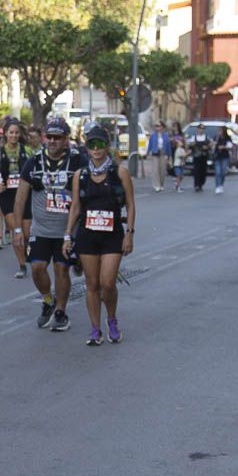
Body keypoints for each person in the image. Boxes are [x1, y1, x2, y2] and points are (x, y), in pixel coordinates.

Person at [14, 117, 88, 332]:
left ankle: (61, 311)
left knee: (61, 270)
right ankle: (48, 301)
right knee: (37, 268)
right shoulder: (34, 161)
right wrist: (18, 229)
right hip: (41, 228)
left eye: (58, 137)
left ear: (66, 139)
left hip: (67, 229)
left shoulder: (78, 160)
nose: (53, 141)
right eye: (50, 137)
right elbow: (20, 197)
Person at [64, 126, 135, 345]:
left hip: (113, 235)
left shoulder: (119, 172)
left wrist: (129, 234)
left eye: (100, 144)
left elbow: (131, 205)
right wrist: (67, 236)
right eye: (91, 144)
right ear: (86, 148)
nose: (96, 149)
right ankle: (95, 328)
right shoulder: (80, 175)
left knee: (107, 283)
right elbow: (75, 207)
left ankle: (111, 319)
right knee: (92, 284)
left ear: (107, 146)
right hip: (87, 235)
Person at [0, 118, 34, 278]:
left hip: (25, 195)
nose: (14, 136)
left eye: (16, 132)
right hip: (7, 197)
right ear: (6, 134)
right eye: (11, 132)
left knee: (27, 233)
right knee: (17, 231)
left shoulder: (27, 151)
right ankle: (22, 265)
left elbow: (34, 170)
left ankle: (27, 249)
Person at [145, 121, 172, 193]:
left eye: (159, 126)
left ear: (162, 127)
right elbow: (150, 145)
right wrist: (147, 153)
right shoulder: (153, 135)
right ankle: (157, 185)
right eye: (156, 126)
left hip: (163, 154)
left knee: (162, 170)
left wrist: (169, 155)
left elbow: (168, 146)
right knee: (155, 170)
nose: (157, 127)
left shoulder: (165, 136)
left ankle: (161, 184)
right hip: (155, 153)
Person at [188, 123, 210, 192]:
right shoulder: (194, 137)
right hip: (196, 155)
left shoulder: (206, 137)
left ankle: (201, 183)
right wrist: (192, 144)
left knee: (203, 171)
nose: (201, 130)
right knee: (196, 170)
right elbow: (190, 145)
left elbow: (210, 144)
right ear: (197, 129)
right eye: (200, 129)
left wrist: (207, 147)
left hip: (204, 156)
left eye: (202, 129)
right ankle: (196, 184)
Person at [212, 125, 233, 194]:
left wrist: (223, 147)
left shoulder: (227, 138)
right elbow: (212, 144)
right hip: (217, 156)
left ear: (224, 131)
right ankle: (217, 186)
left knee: (223, 172)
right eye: (219, 130)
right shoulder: (216, 138)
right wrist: (213, 144)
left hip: (225, 157)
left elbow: (230, 147)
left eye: (220, 130)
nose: (219, 132)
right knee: (218, 172)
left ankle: (221, 184)